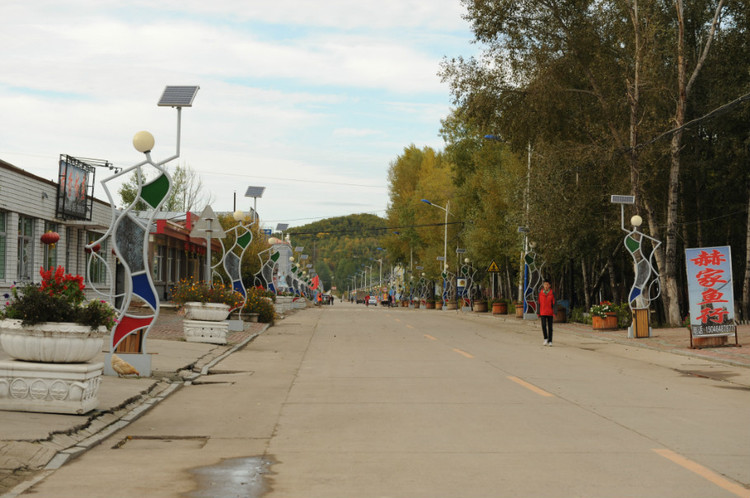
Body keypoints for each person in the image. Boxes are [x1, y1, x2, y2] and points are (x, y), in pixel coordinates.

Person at [538, 279, 556, 346]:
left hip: (550, 312)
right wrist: (538, 312)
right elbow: (538, 303)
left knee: (550, 327)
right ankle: (545, 338)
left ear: (549, 285)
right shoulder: (540, 293)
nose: (546, 286)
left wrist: (554, 312)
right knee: (543, 325)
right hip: (542, 312)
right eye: (545, 284)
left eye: (547, 284)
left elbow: (554, 303)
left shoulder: (552, 293)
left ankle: (550, 340)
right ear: (543, 285)